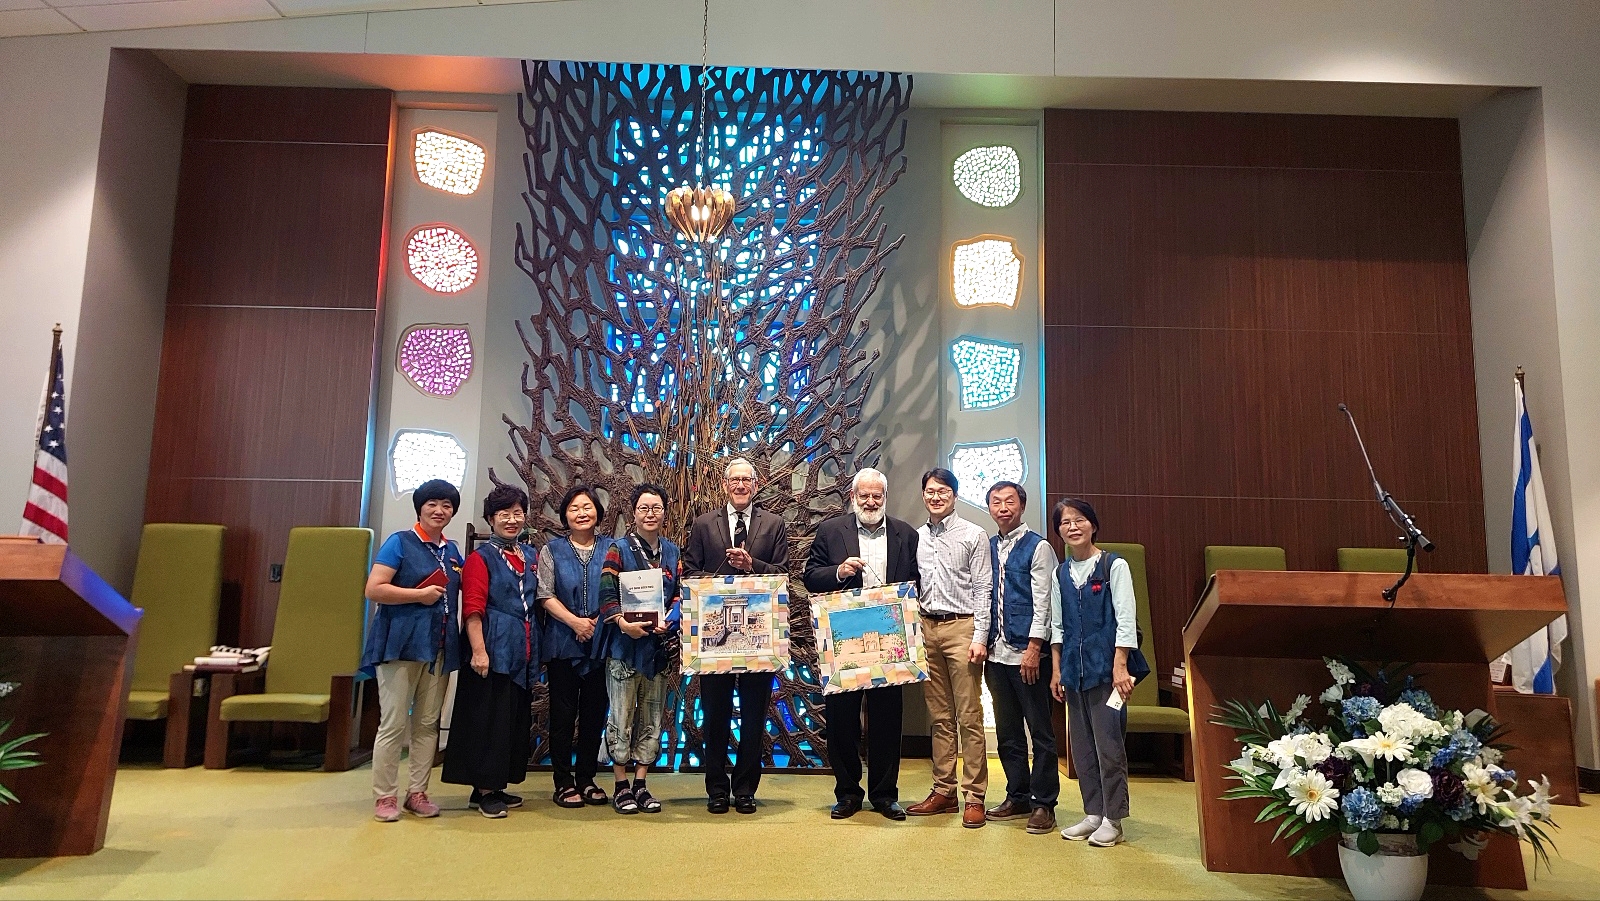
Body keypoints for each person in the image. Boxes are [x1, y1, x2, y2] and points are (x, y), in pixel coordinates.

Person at [802, 468, 919, 822]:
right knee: (842, 720)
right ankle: (848, 793)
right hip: (844, 640)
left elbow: (917, 581)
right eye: (864, 495)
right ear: (852, 497)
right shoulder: (830, 531)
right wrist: (838, 572)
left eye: (876, 496)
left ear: (885, 498)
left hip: (890, 641)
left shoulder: (906, 534)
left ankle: (885, 795)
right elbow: (810, 576)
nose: (870, 502)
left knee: (887, 719)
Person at [682, 457, 790, 815]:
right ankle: (716, 788)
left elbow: (782, 574)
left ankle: (745, 789)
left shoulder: (773, 524)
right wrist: (720, 581)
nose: (740, 485)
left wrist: (751, 565)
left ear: (755, 485)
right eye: (734, 480)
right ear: (725, 485)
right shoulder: (703, 524)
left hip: (760, 637)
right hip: (714, 637)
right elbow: (691, 572)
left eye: (746, 479)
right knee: (715, 715)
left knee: (755, 716)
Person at [360, 478, 463, 822]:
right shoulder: (400, 542)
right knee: (392, 723)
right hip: (400, 645)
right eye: (432, 504)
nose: (439, 510)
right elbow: (374, 589)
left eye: (446, 505)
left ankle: (417, 793)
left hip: (440, 647)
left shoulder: (452, 551)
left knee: (428, 724)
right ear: (420, 507)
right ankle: (385, 796)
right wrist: (418, 595)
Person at [442, 484, 539, 819]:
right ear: (490, 519)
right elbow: (472, 608)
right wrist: (479, 651)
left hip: (521, 647)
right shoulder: (479, 559)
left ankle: (492, 786)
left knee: (509, 719)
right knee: (487, 719)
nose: (512, 520)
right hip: (491, 646)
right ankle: (485, 790)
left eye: (517, 513)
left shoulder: (530, 556)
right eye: (503, 514)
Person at [906, 468, 994, 829]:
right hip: (926, 627)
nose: (936, 497)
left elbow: (983, 588)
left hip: (963, 627)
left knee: (969, 716)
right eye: (930, 491)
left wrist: (980, 636)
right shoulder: (916, 537)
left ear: (954, 495)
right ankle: (944, 791)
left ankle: (975, 796)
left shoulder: (974, 534)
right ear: (923, 495)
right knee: (939, 717)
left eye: (943, 491)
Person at [1048, 498, 1137, 847]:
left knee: (1109, 747)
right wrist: (1057, 670)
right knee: (1082, 748)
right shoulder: (1060, 573)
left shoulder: (1114, 566)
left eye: (1079, 519)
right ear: (1059, 532)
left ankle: (1114, 819)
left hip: (1108, 673)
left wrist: (1120, 666)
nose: (1072, 526)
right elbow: (1058, 627)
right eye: (1065, 522)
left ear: (1093, 525)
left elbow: (1126, 619)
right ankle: (1093, 813)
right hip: (1074, 671)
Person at [594, 483, 682, 815]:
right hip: (624, 647)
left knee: (652, 718)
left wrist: (670, 620)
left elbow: (679, 595)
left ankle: (641, 784)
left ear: (664, 513)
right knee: (621, 717)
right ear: (634, 513)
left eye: (656, 508)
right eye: (644, 508)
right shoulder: (618, 548)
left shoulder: (672, 552)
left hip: (657, 649)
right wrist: (621, 622)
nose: (650, 514)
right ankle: (620, 785)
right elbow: (606, 591)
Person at [981, 480, 1061, 835]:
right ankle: (1018, 795)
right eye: (996, 502)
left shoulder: (1038, 547)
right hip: (996, 654)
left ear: (1022, 506)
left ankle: (1044, 803)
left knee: (1040, 732)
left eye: (1009, 501)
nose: (1003, 507)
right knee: (1007, 730)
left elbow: (1045, 601)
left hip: (1028, 655)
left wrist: (1034, 647)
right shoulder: (988, 546)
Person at [538, 484, 617, 809]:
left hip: (602, 643)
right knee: (562, 715)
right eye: (574, 508)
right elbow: (544, 594)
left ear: (597, 512)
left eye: (587, 507)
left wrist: (596, 621)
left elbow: (620, 590)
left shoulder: (612, 547)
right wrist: (575, 622)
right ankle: (562, 782)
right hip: (563, 643)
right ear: (565, 516)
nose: (582, 513)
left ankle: (586, 778)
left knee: (594, 715)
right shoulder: (551, 550)